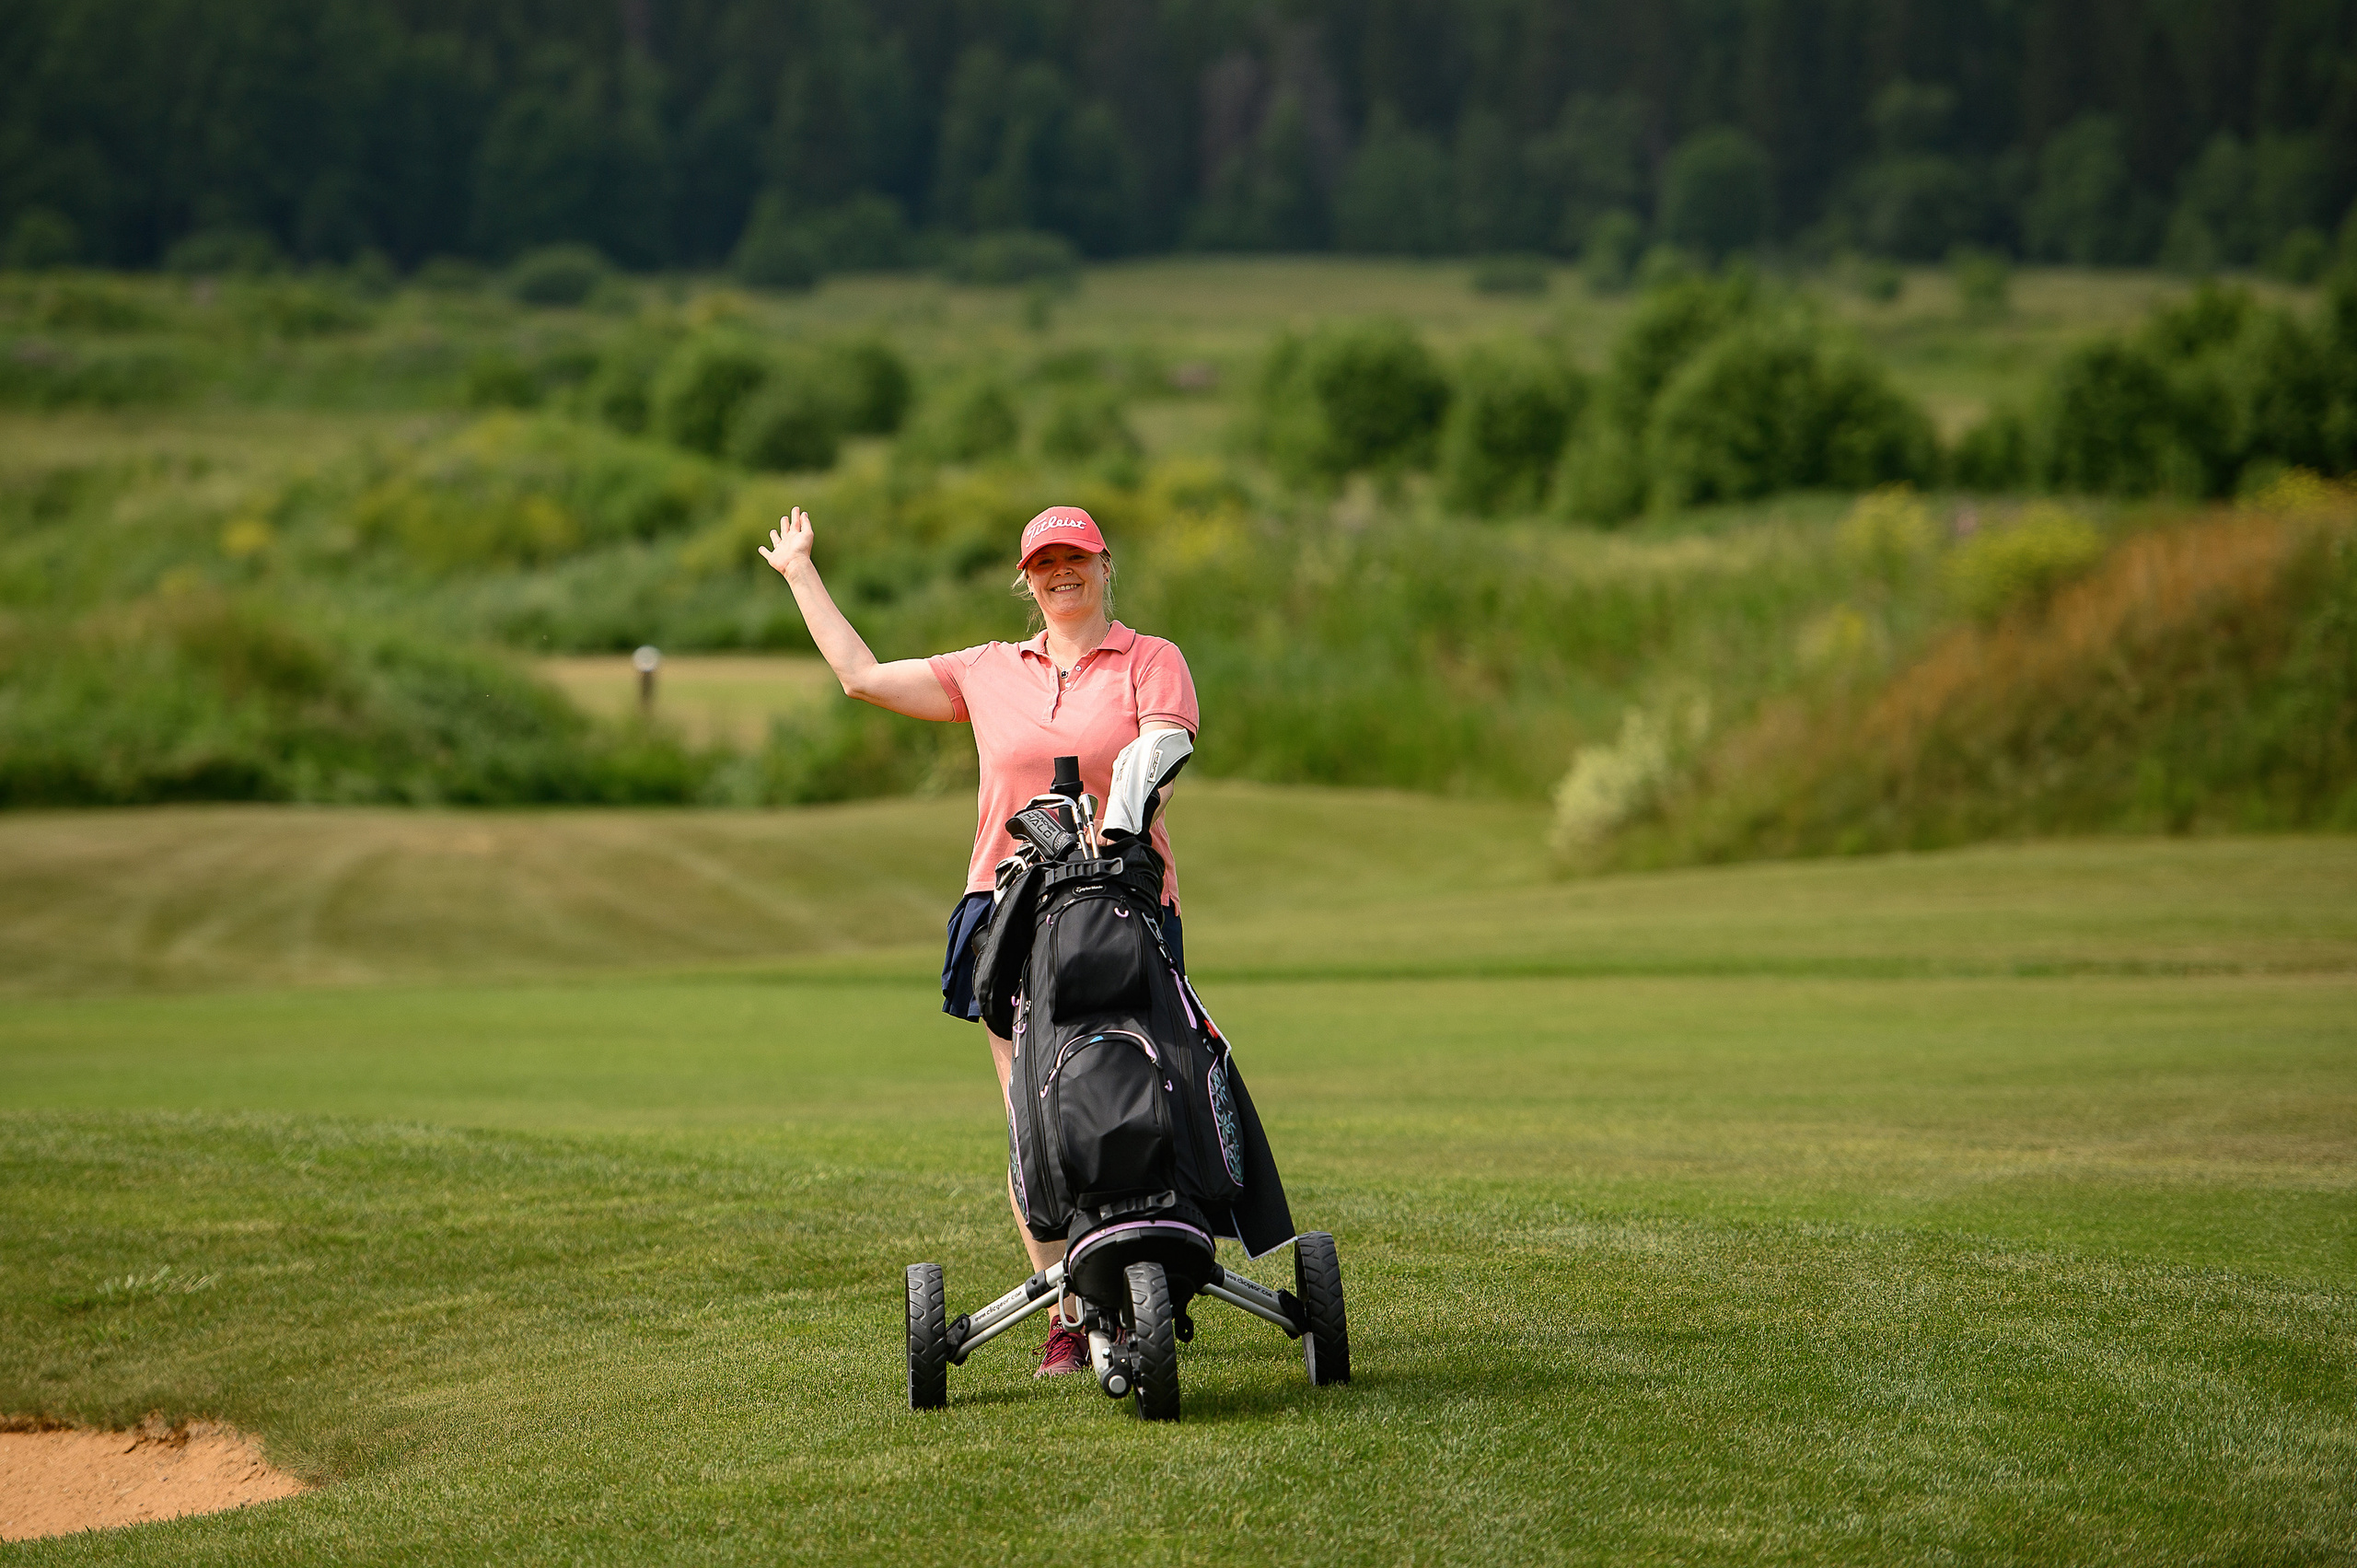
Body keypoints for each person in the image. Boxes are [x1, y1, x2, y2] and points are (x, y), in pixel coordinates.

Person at [760, 503, 1197, 1378]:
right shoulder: (989, 669)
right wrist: (801, 571)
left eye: (1076, 558)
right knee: (1033, 1110)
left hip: (1121, 904)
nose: (1060, 574)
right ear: (1026, 578)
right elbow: (862, 675)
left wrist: (1115, 825)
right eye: (1044, 563)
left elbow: (1165, 746)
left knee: (1143, 1084)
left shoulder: (1152, 660)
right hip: (1006, 913)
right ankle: (1066, 1316)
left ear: (1107, 565)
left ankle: (1151, 1266)